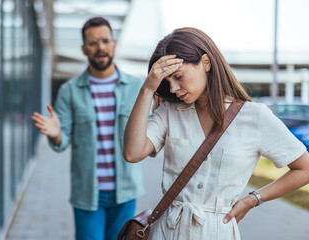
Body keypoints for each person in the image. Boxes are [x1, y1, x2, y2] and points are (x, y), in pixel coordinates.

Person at [123, 27, 309, 240]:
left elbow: (304, 168)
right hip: (167, 231)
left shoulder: (254, 116)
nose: (173, 88)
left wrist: (253, 199)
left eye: (178, 76)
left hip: (218, 231)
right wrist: (147, 89)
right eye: (167, 82)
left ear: (205, 62)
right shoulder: (170, 112)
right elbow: (132, 153)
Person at [31, 17, 144, 240]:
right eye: (93, 43)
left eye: (105, 40)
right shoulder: (69, 91)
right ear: (84, 49)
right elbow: (61, 142)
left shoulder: (137, 87)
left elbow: (150, 133)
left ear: (113, 43)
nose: (100, 47)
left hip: (126, 192)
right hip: (87, 193)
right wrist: (56, 135)